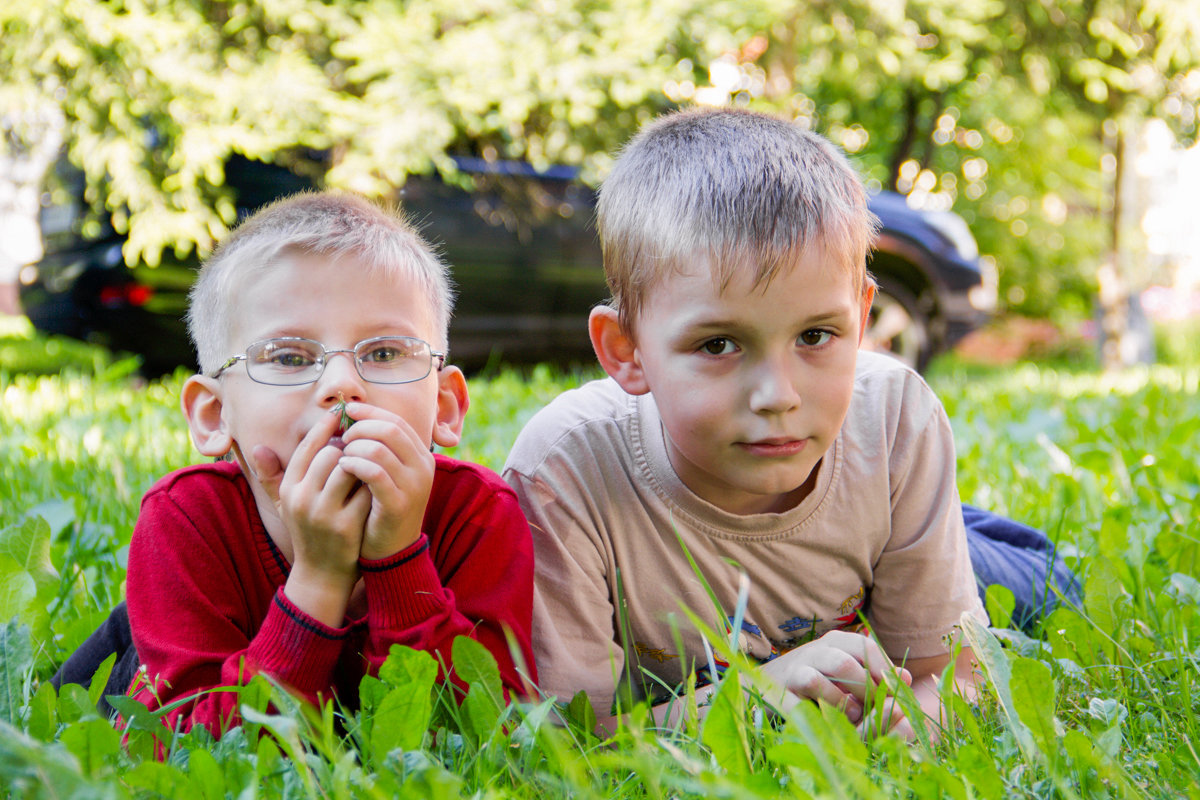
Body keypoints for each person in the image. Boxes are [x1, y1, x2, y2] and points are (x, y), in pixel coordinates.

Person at [502, 107, 1077, 736]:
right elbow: (570, 739)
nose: (777, 396)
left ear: (860, 320)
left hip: (891, 527)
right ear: (625, 349)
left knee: (1048, 594)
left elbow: (959, 674)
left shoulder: (892, 416)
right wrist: (751, 698)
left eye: (815, 335)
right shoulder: (565, 468)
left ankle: (961, 539)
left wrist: (920, 719)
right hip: (851, 536)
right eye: (718, 345)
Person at [54, 192, 536, 736]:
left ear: (444, 408)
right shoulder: (184, 521)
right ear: (214, 416)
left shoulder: (478, 515)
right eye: (288, 357)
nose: (340, 385)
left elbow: (493, 736)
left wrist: (399, 557)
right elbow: (197, 751)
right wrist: (319, 579)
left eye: (382, 353)